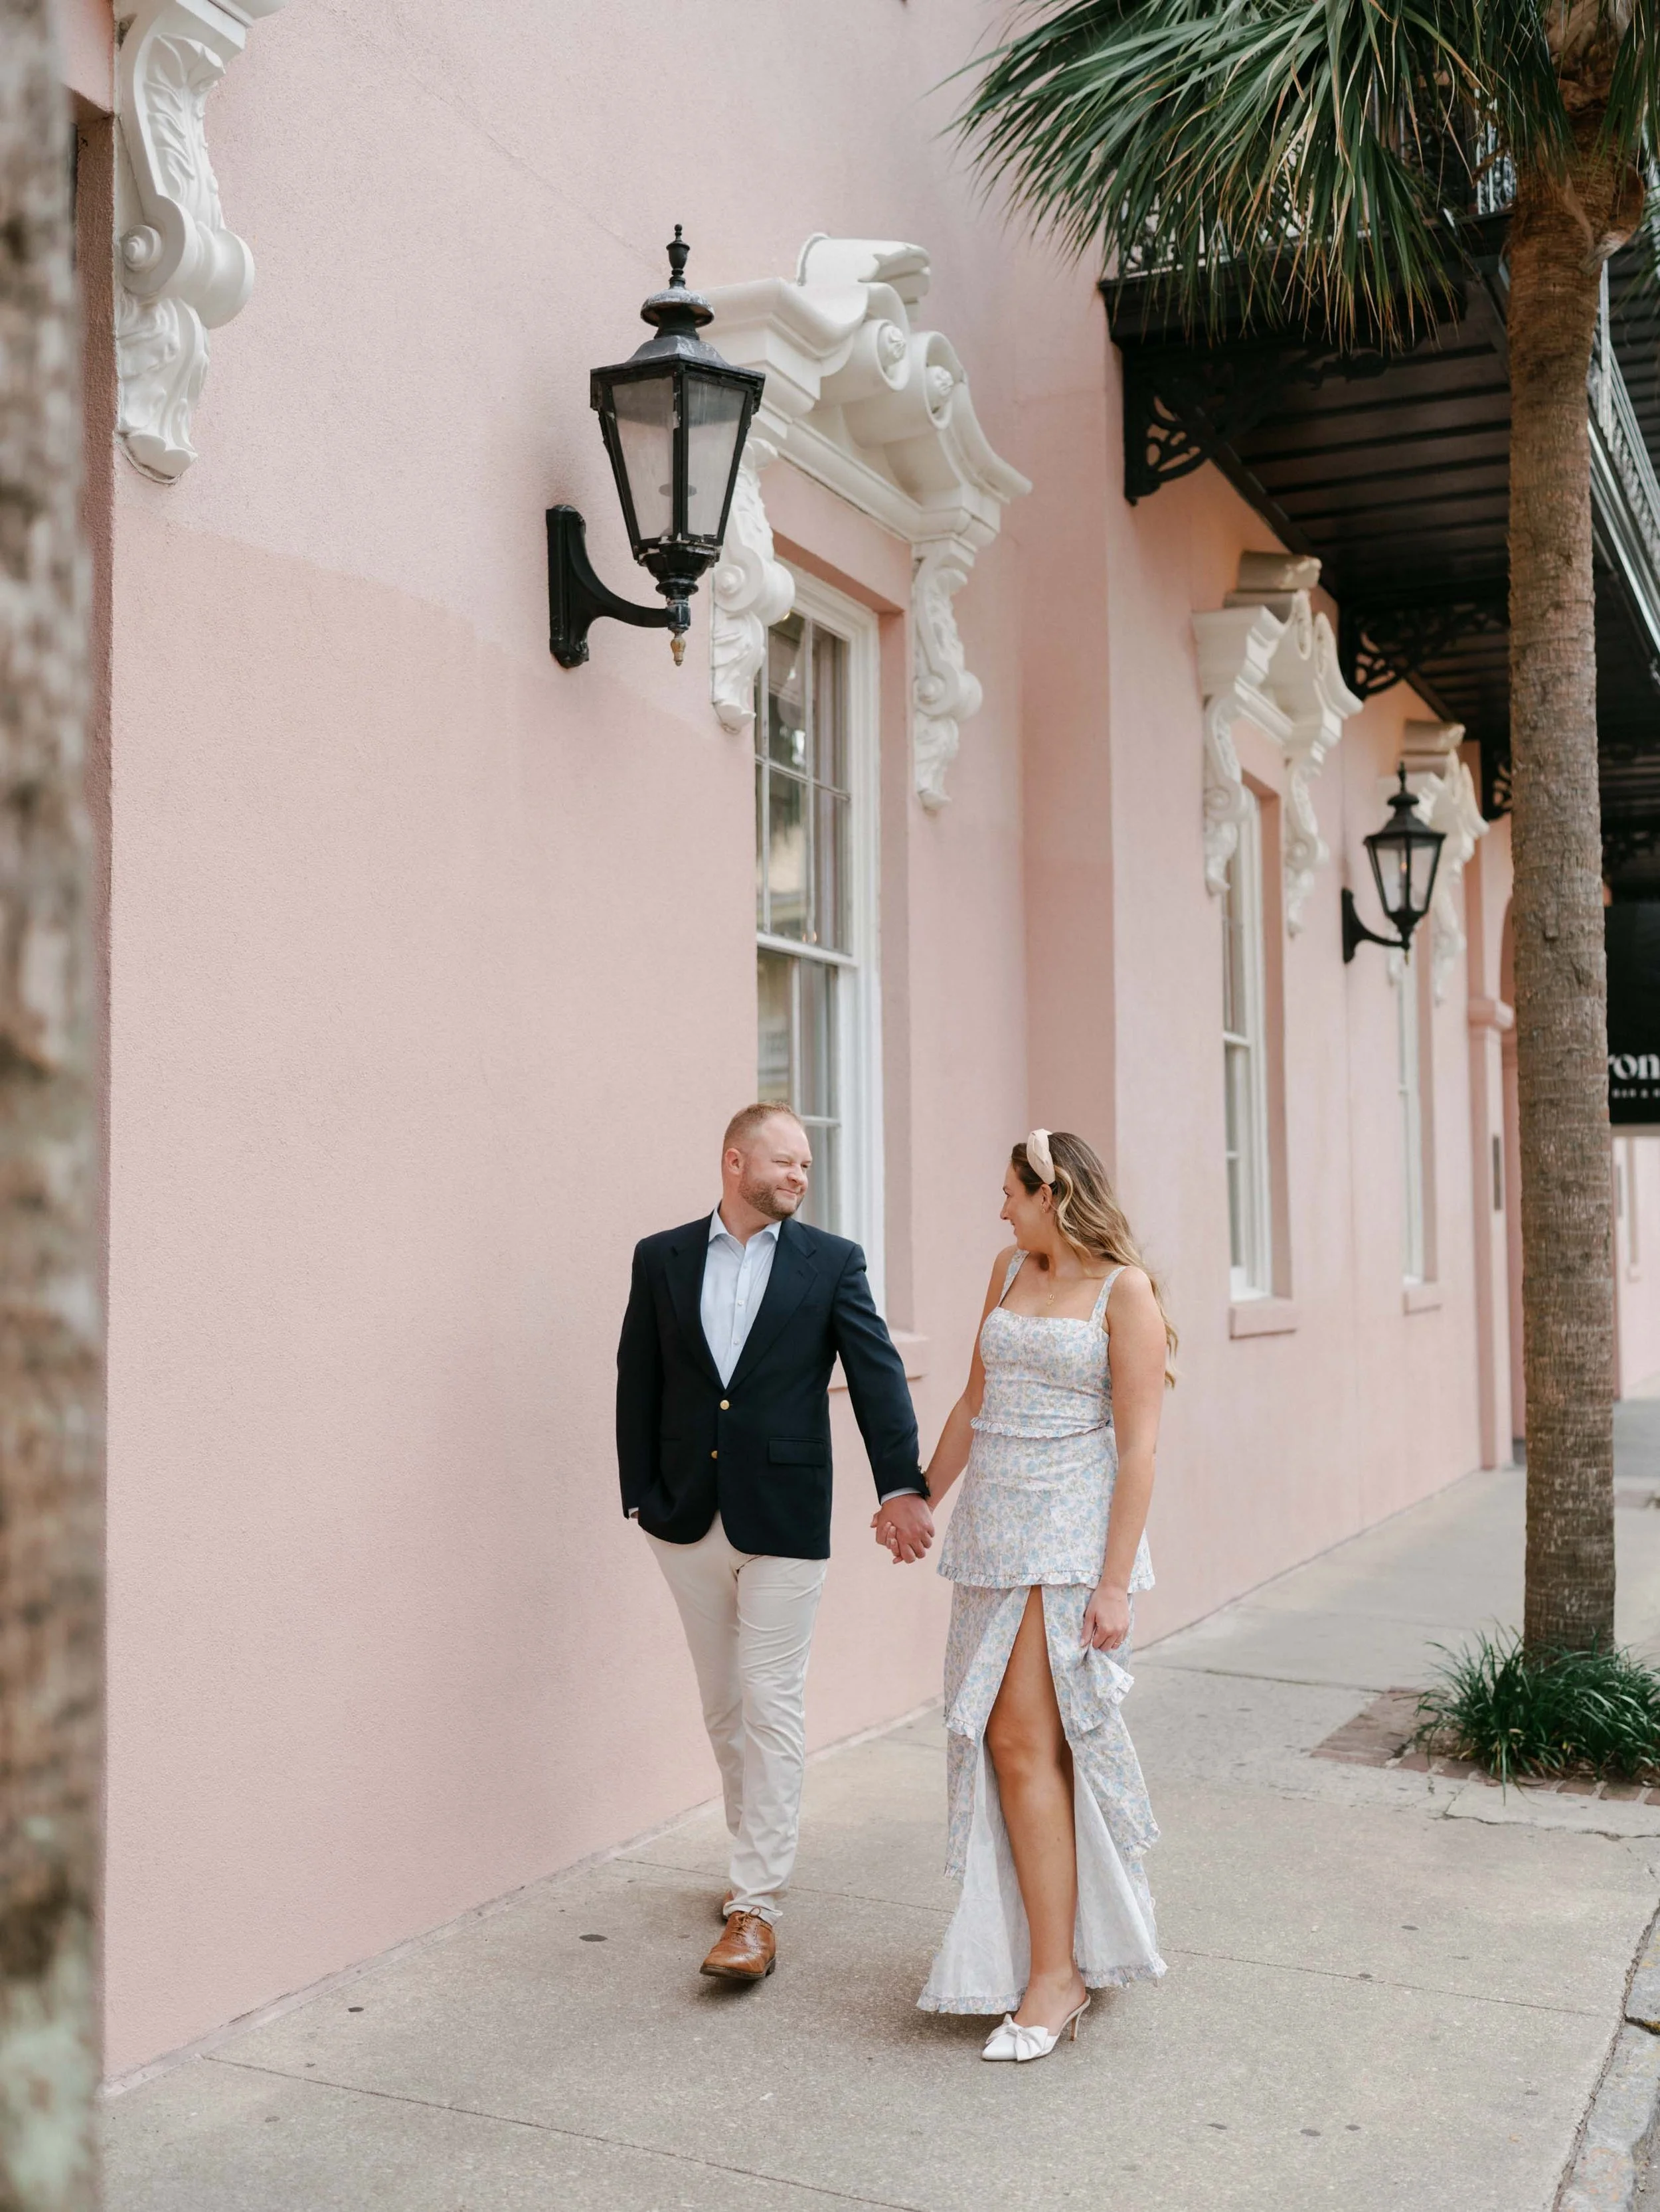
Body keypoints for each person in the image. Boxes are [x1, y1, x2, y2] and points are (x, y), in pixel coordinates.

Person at [876, 1128, 1174, 2062]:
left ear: (1052, 1192)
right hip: (993, 1533)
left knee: (1023, 1738)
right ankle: (1054, 1949)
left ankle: (1058, 1974)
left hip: (1071, 1537)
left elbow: (1141, 1449)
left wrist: (1116, 1582)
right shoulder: (1007, 1267)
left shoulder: (1126, 1291)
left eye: (1010, 1190)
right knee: (1005, 1745)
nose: (999, 1208)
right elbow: (974, 1401)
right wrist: (919, 1492)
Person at [618, 1103, 934, 1984]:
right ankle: (747, 1861)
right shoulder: (663, 1257)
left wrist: (901, 1484)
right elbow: (637, 1377)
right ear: (735, 1160)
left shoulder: (830, 1263)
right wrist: (639, 1494)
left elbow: (875, 1374)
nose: (800, 1176)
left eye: (806, 1165)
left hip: (786, 1517)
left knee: (770, 1698)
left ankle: (757, 1905)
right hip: (683, 1518)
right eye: (786, 1162)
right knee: (724, 1706)